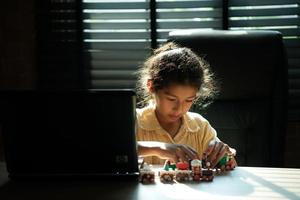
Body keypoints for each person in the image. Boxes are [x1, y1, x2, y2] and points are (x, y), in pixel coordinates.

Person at [135, 42, 237, 168]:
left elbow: (231, 167)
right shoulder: (135, 121)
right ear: (151, 86)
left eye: (189, 100)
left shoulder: (199, 126)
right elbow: (109, 152)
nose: (179, 109)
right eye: (171, 99)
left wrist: (225, 157)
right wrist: (158, 148)